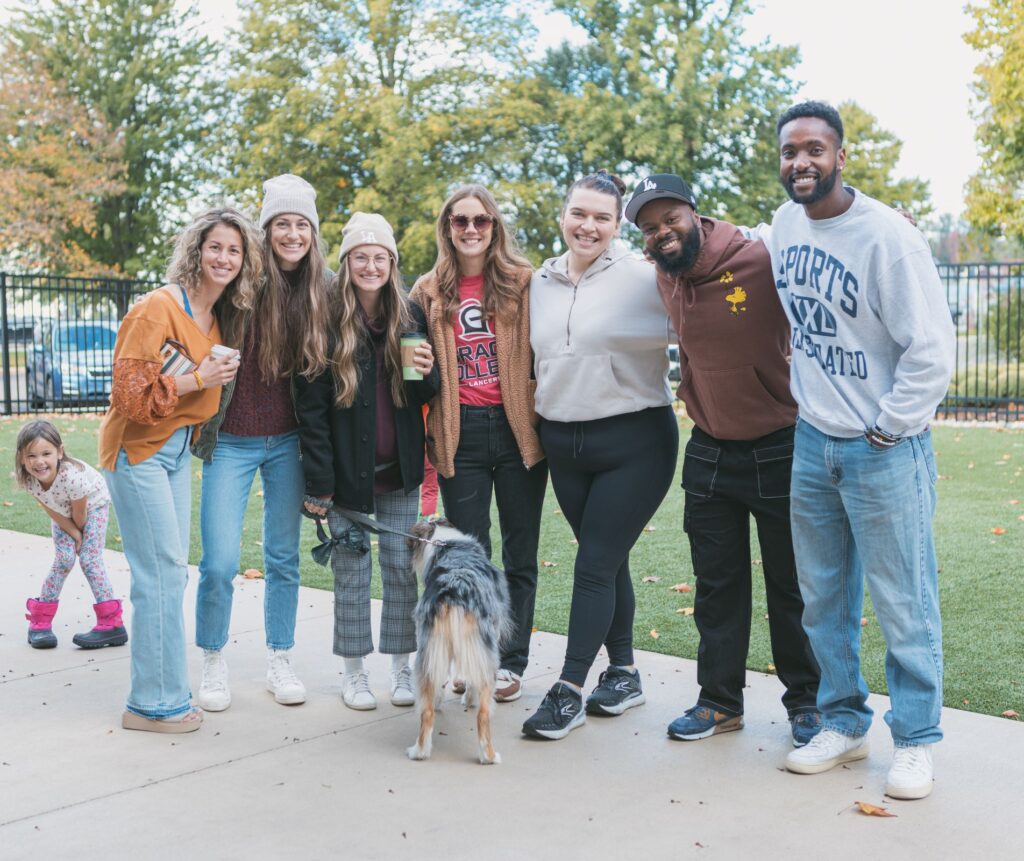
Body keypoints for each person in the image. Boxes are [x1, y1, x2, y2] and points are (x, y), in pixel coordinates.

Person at [768, 101, 954, 799]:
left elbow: (931, 351)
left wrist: (890, 424)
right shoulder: (785, 225)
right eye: (790, 151)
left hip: (885, 449)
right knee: (822, 599)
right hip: (814, 443)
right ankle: (843, 722)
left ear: (841, 156)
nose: (802, 162)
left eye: (815, 149)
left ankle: (914, 739)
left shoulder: (886, 238)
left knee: (904, 600)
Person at [623, 174, 822, 747]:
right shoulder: (664, 274)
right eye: (650, 226)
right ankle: (718, 702)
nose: (663, 232)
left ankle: (807, 703)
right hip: (708, 444)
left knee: (792, 587)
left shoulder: (762, 256)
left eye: (671, 219)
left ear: (694, 212)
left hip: (781, 443)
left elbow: (824, 246)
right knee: (716, 586)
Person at [521, 170, 678, 740]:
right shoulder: (538, 281)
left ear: (617, 226)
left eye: (602, 218)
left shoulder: (644, 277)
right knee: (606, 560)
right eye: (579, 213)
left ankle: (567, 690)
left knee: (591, 567)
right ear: (563, 215)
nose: (589, 226)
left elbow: (716, 271)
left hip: (634, 442)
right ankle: (626, 673)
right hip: (564, 442)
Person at [100, 206, 261, 733]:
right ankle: (152, 704)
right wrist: (199, 378)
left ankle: (164, 692)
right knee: (160, 573)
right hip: (137, 451)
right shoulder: (156, 308)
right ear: (196, 249)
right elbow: (127, 397)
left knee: (170, 572)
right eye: (215, 246)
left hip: (172, 452)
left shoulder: (217, 318)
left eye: (234, 250)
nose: (224, 257)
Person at [192, 175, 332, 712]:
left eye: (302, 224)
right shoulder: (242, 282)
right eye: (282, 224)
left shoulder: (325, 288)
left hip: (288, 443)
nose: (292, 233)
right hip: (230, 441)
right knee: (220, 561)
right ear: (266, 229)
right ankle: (212, 658)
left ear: (312, 233)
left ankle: (280, 656)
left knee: (283, 556)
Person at [410, 185, 547, 703]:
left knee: (520, 550)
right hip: (457, 430)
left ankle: (510, 663)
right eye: (460, 221)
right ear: (447, 227)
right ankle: (475, 654)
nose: (471, 230)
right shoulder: (428, 291)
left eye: (481, 221)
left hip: (518, 431)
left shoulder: (524, 282)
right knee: (470, 554)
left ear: (495, 227)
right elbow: (411, 364)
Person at [297, 213, 437, 710]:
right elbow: (310, 411)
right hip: (345, 479)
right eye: (361, 256)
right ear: (347, 263)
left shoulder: (411, 316)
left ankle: (401, 666)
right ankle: (354, 673)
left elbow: (427, 391)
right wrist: (319, 482)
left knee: (401, 568)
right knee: (350, 572)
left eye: (380, 257)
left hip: (398, 472)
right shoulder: (326, 320)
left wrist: (426, 372)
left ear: (392, 263)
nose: (371, 265)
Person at [16, 419, 127, 650]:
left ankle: (112, 622)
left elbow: (81, 513)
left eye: (46, 453)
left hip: (91, 507)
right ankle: (40, 622)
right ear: (22, 458)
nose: (39, 462)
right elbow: (50, 508)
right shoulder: (29, 478)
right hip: (63, 512)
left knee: (89, 559)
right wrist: (75, 536)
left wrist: (81, 535)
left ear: (60, 452)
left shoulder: (72, 477)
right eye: (31, 456)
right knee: (64, 559)